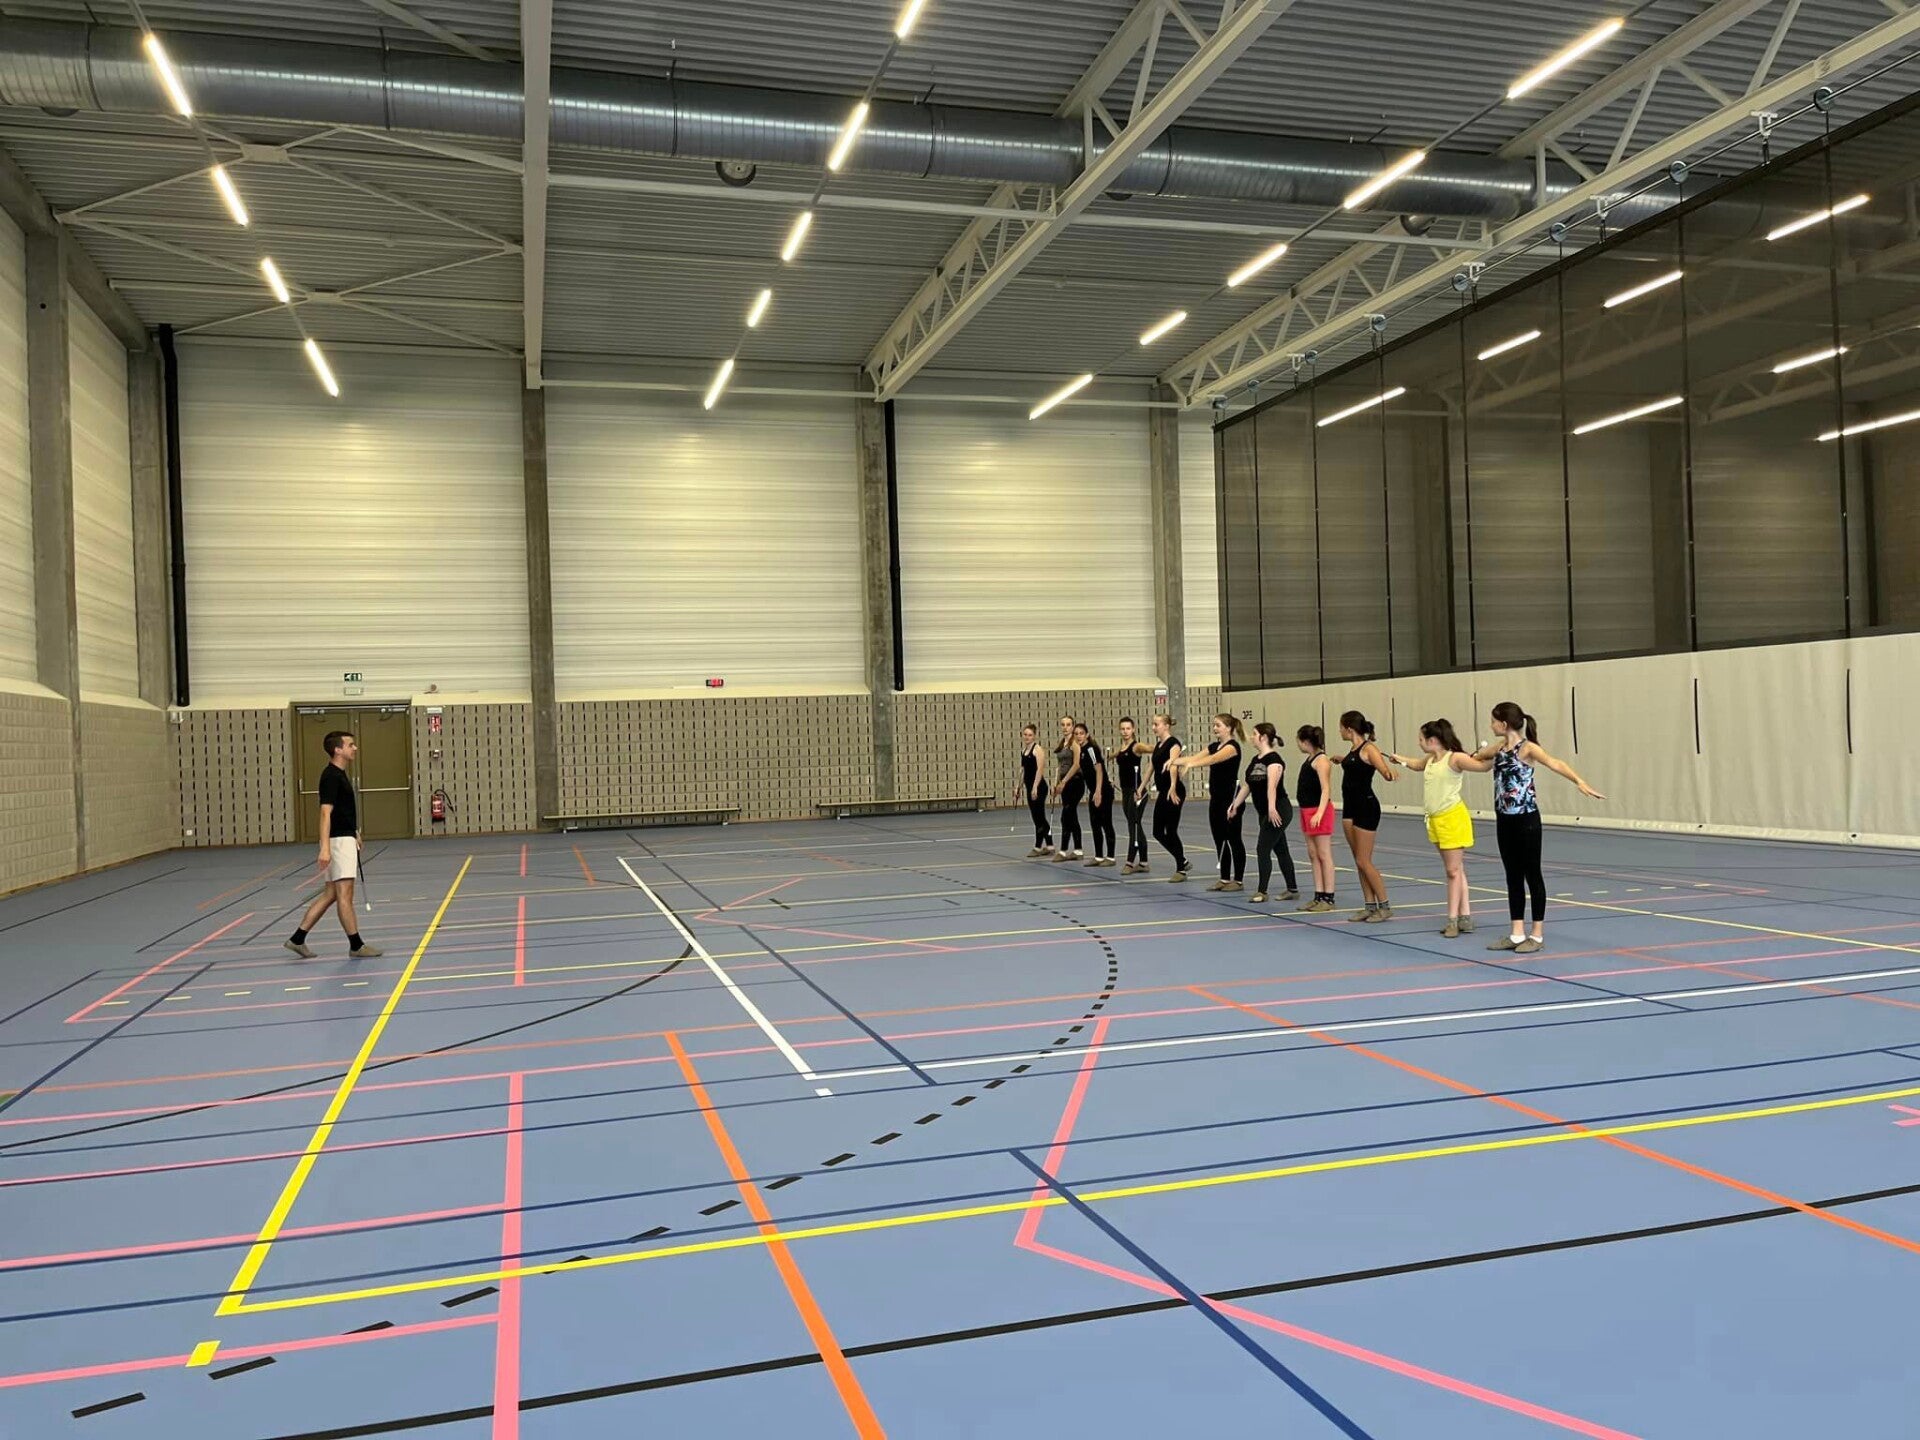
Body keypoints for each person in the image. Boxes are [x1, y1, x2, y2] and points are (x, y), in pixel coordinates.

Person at [1471, 701, 1606, 954]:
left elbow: (1555, 763)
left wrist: (1579, 781)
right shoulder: (1499, 747)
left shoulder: (1528, 749)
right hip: (1504, 819)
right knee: (1512, 876)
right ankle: (1516, 933)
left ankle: (1537, 934)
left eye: (1493, 721)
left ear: (1504, 724)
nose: (1490, 725)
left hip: (1527, 820)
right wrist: (1475, 755)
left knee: (1532, 874)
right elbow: (1479, 758)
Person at [1389, 719, 1492, 939]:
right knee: (1457, 869)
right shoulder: (1430, 760)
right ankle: (1465, 916)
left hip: (1452, 819)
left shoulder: (1455, 758)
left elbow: (1483, 767)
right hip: (1434, 821)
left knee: (1452, 872)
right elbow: (1416, 765)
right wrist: (1400, 760)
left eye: (1421, 739)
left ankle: (1452, 920)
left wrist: (1491, 754)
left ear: (1432, 740)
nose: (1419, 743)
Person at [285, 731, 383, 960]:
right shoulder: (331, 776)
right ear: (338, 750)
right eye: (350, 745)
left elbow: (341, 811)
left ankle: (297, 939)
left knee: (331, 894)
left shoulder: (339, 774)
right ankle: (356, 945)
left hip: (342, 838)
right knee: (345, 895)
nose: (355, 748)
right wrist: (326, 848)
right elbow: (325, 813)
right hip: (338, 843)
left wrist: (353, 831)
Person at [1171, 713, 1247, 892]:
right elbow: (1195, 758)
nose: (1214, 728)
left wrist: (1191, 766)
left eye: (1218, 725)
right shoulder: (1214, 746)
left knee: (1233, 839)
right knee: (1219, 838)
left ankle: (1238, 880)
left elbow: (1213, 759)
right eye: (1214, 725)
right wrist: (1173, 761)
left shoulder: (1232, 747)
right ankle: (1224, 878)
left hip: (1231, 799)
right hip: (1216, 799)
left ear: (1229, 728)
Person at [1337, 710, 1397, 923]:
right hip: (1350, 808)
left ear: (1349, 729)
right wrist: (1341, 759)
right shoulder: (1353, 750)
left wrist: (1390, 773)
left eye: (1341, 727)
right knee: (1358, 861)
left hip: (1366, 807)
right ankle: (1369, 906)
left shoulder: (1369, 748)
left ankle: (1385, 906)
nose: (1339, 731)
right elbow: (1355, 764)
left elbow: (1384, 772)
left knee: (1364, 860)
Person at [1229, 722, 1297, 903]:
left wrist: (1272, 808)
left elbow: (1272, 786)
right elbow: (1248, 785)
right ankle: (1292, 888)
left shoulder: (1274, 760)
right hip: (1264, 812)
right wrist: (1235, 804)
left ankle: (1262, 891)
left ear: (1263, 737)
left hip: (1278, 809)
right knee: (1281, 849)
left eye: (1254, 734)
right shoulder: (1255, 760)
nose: (1251, 737)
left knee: (1263, 848)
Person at [1294, 724, 1337, 911]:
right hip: (1306, 810)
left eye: (1298, 741)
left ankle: (1329, 897)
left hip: (1319, 811)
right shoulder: (1310, 759)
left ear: (1305, 742)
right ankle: (1318, 894)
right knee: (1313, 854)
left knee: (1324, 854)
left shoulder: (1321, 760)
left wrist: (1319, 813)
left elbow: (1325, 789)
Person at [1148, 713, 1189, 881]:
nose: (1153, 727)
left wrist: (1172, 785)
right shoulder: (1159, 745)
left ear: (1166, 726)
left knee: (1171, 830)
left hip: (1174, 791)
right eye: (1153, 724)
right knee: (1157, 832)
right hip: (1163, 791)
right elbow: (1152, 767)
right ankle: (1182, 860)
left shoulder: (1174, 744)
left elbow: (1173, 765)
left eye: (1156, 724)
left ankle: (1181, 870)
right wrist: (1142, 786)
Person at [1113, 717, 1152, 874]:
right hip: (1126, 792)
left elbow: (1152, 749)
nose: (1125, 731)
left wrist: (1166, 749)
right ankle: (1143, 863)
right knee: (1136, 826)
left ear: (1133, 729)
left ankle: (1130, 862)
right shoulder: (1122, 747)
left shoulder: (1137, 746)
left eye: (1128, 728)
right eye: (1122, 729)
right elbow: (1119, 754)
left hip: (1137, 792)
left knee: (1133, 827)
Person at [1074, 722, 1117, 867]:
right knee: (1095, 823)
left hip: (1103, 791)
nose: (1079, 736)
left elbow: (1098, 769)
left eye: (1081, 733)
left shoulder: (1091, 749)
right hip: (1094, 791)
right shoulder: (1081, 751)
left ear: (1087, 735)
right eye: (1076, 734)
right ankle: (1098, 856)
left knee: (1106, 823)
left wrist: (1098, 791)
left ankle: (1110, 857)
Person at [1015, 723, 1053, 856]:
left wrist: (1035, 787)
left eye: (1030, 735)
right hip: (1029, 787)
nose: (1027, 737)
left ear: (1034, 736)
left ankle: (1038, 846)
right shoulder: (1024, 751)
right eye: (1025, 734)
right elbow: (1023, 770)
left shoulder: (1038, 750)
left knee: (1039, 817)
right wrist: (1018, 786)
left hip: (1039, 787)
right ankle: (1049, 845)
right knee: (1037, 817)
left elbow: (1040, 769)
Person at [1051, 714, 1083, 862]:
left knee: (1066, 815)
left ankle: (1063, 850)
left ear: (1073, 726)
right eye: (1063, 724)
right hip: (1064, 782)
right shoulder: (1062, 743)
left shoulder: (1074, 743)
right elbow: (1059, 766)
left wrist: (1064, 781)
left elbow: (1076, 764)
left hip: (1075, 782)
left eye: (1068, 724)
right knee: (1071, 815)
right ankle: (1078, 849)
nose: (1065, 727)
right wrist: (1056, 782)